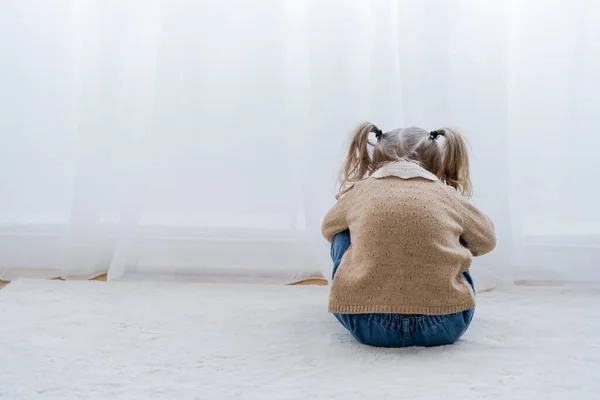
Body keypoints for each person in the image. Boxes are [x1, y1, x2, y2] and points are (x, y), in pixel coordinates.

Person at [321, 123, 496, 347]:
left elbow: (328, 227)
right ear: (438, 164)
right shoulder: (447, 195)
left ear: (375, 160)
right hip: (447, 323)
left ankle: (358, 296)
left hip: (366, 323)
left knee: (341, 234)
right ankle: (444, 293)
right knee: (459, 236)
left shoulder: (361, 191)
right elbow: (487, 241)